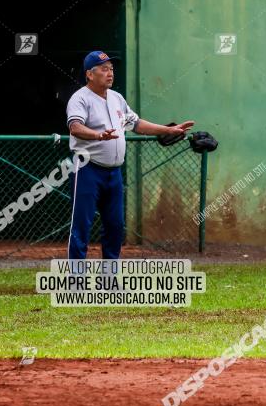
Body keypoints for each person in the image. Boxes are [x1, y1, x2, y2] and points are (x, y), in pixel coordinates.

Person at [66, 50, 194, 259]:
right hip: (87, 169)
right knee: (81, 227)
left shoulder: (117, 98)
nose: (110, 73)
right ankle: (76, 282)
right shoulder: (80, 98)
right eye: (104, 69)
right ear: (89, 74)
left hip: (114, 173)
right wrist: (98, 135)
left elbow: (136, 124)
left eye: (112, 69)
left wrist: (169, 130)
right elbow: (75, 127)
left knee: (116, 226)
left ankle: (108, 281)